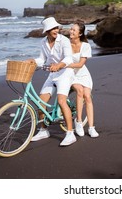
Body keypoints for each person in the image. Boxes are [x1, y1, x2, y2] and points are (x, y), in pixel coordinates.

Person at [26, 17, 77, 146]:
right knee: (40, 103)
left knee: (61, 101)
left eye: (56, 28)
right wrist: (33, 61)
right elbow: (42, 60)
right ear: (47, 31)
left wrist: (59, 65)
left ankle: (70, 134)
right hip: (52, 74)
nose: (56, 30)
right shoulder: (43, 42)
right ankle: (43, 130)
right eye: (52, 29)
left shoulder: (63, 40)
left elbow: (69, 58)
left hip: (65, 73)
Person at [68, 21, 99, 138]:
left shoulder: (85, 46)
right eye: (70, 29)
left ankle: (91, 128)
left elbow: (81, 64)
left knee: (87, 96)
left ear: (80, 34)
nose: (70, 31)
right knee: (80, 91)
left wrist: (63, 65)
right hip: (70, 74)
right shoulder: (66, 44)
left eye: (73, 30)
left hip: (83, 74)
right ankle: (79, 122)